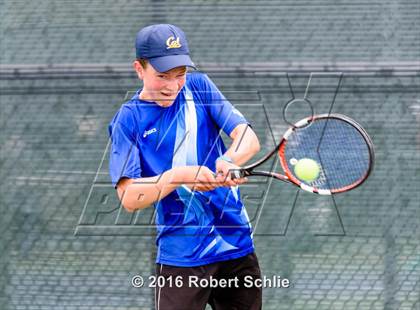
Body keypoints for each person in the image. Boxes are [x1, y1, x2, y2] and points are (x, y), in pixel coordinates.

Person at [108, 24, 262, 310]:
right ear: (139, 69)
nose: (172, 85)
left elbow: (248, 138)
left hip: (235, 244)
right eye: (162, 75)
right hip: (181, 257)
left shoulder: (199, 86)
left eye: (179, 75)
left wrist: (229, 160)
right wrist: (179, 177)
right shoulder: (128, 120)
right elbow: (129, 197)